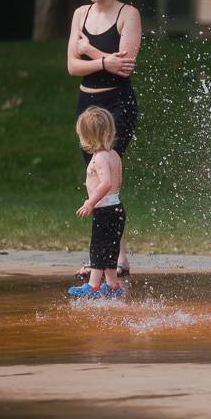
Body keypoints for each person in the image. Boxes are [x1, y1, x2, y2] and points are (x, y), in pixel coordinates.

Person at [67, 0, 141, 280]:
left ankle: (108, 260)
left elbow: (124, 68)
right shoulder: (80, 14)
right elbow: (72, 66)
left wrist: (93, 52)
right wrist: (102, 62)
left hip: (117, 105)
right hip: (87, 104)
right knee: (96, 180)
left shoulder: (129, 14)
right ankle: (113, 260)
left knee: (106, 175)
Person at [67, 107, 126, 298]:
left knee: (99, 247)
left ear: (88, 136)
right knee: (110, 248)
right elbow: (117, 181)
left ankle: (92, 286)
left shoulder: (100, 158)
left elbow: (106, 183)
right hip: (116, 207)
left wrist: (90, 202)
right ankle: (112, 285)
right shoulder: (114, 154)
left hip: (105, 210)